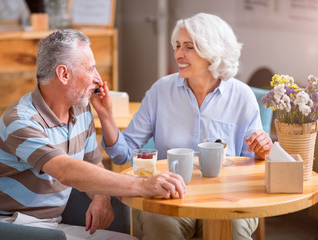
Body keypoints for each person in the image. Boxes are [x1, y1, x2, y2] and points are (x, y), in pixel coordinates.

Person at [0, 29, 186, 240]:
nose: (98, 79)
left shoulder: (80, 109)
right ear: (64, 74)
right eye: (91, 68)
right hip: (8, 225)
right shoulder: (21, 120)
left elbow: (93, 164)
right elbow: (65, 170)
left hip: (51, 226)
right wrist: (144, 185)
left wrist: (102, 197)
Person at [91, 13, 273, 240]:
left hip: (226, 199)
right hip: (169, 198)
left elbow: (252, 164)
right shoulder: (161, 91)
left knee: (234, 228)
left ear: (212, 51)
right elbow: (122, 155)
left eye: (188, 47)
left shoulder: (242, 96)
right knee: (159, 224)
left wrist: (262, 150)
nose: (178, 54)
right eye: (177, 46)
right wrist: (106, 116)